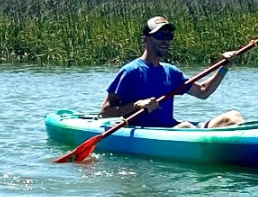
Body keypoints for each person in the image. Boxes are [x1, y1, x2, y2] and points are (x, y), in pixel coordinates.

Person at [101, 16, 245, 129]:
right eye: (159, 36)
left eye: (168, 37)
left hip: (173, 128)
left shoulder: (171, 71)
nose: (165, 41)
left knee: (233, 116)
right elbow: (105, 111)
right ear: (145, 39)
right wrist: (136, 105)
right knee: (187, 127)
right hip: (149, 132)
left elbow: (203, 92)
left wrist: (225, 66)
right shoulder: (131, 71)